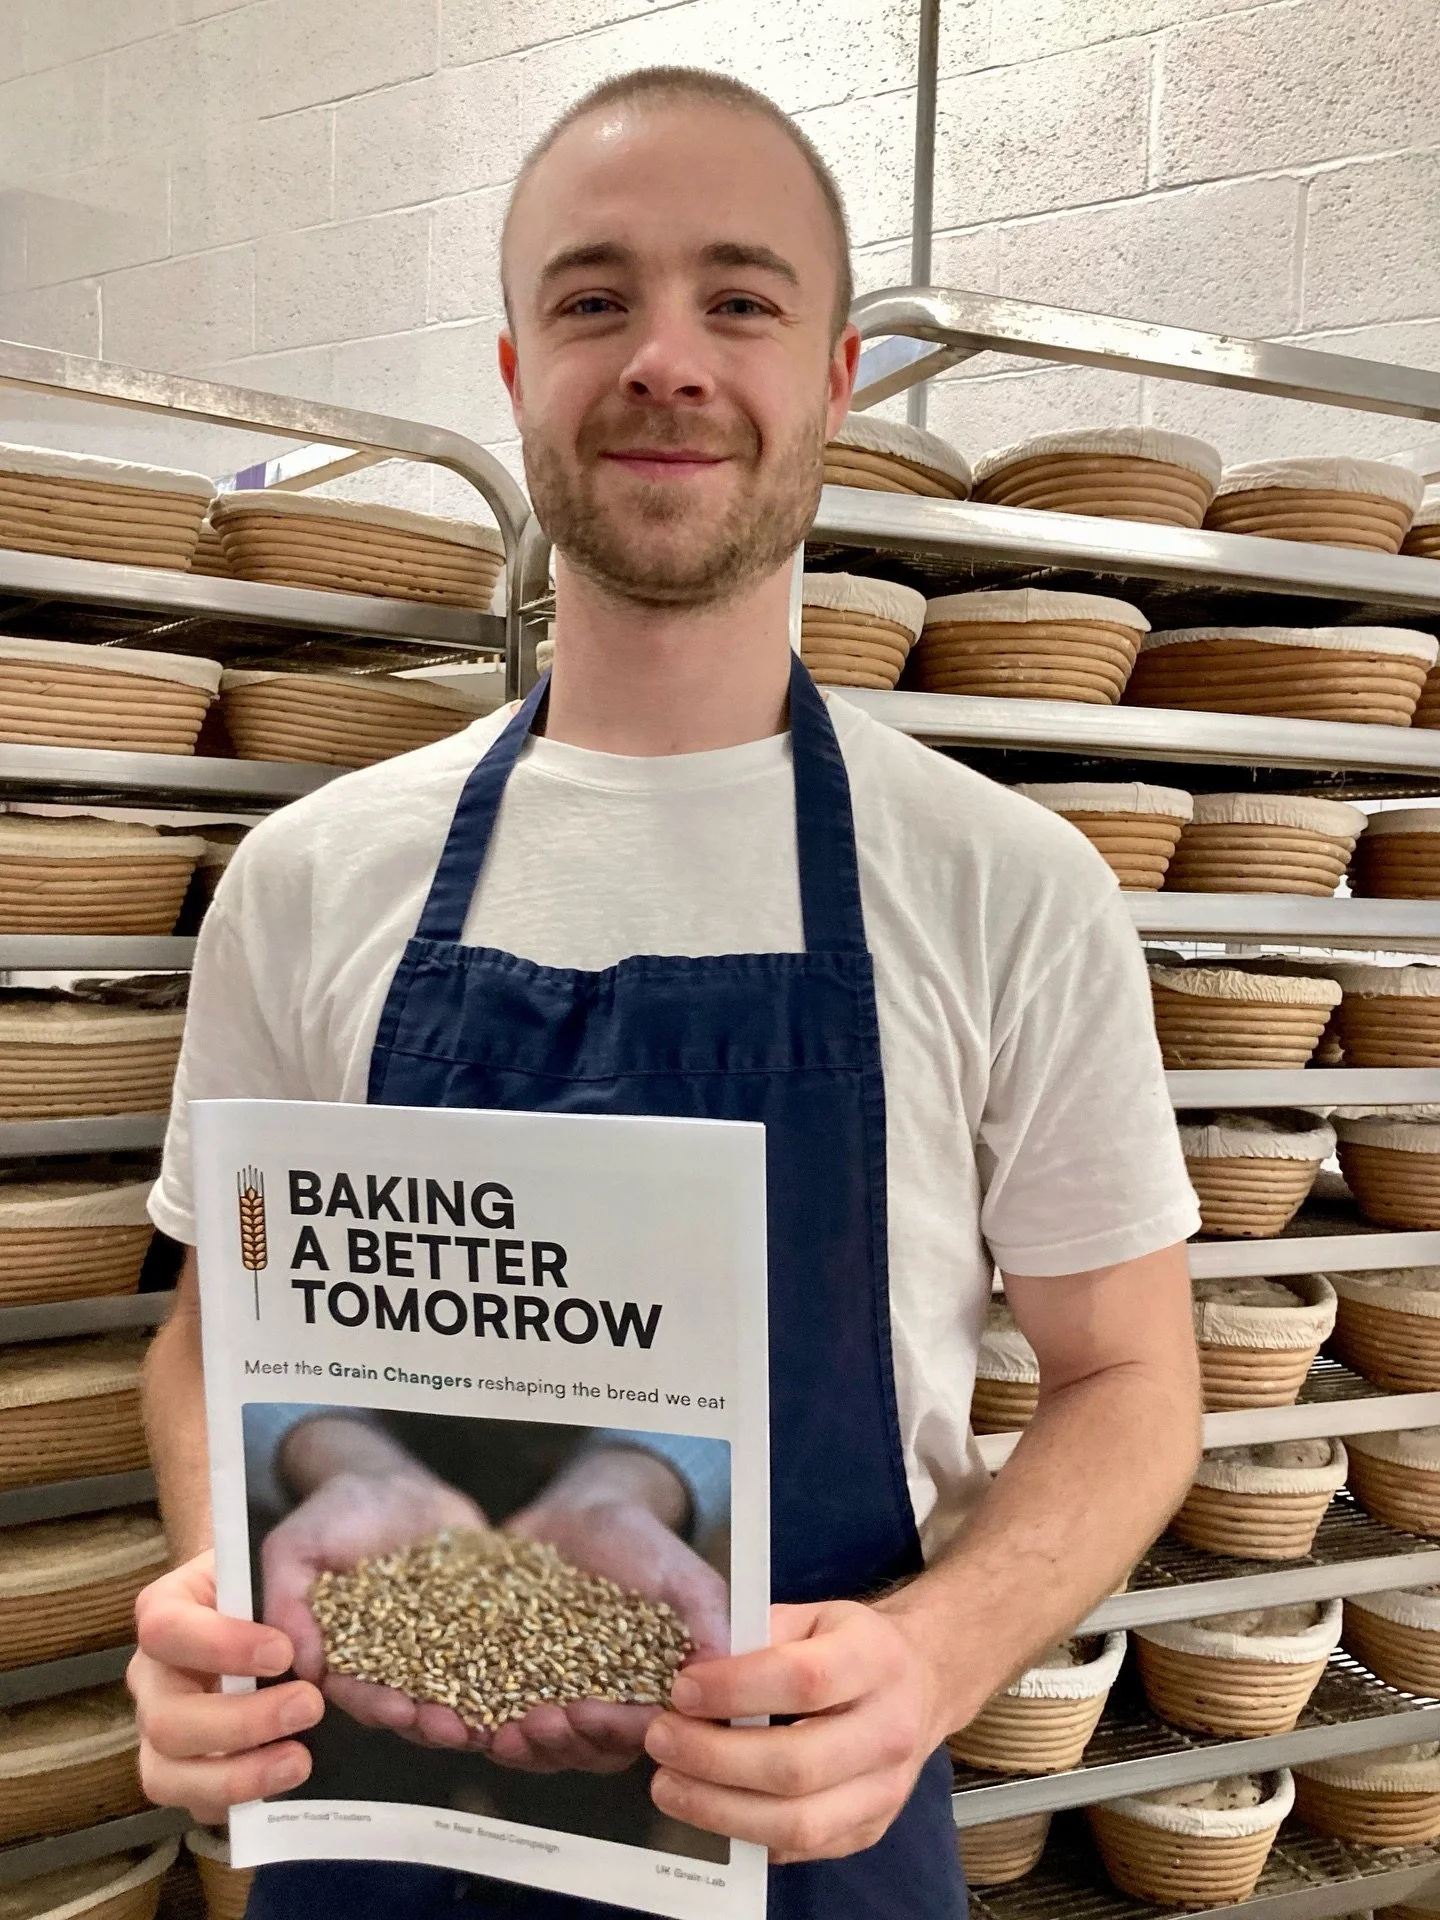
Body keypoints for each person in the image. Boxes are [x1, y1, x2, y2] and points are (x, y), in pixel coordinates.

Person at [129, 63, 1203, 1920]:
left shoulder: (1006, 890)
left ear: (838, 378)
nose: (666, 359)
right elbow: (216, 1337)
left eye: (742, 297)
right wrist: (240, 1580)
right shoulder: (308, 882)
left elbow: (1129, 1378)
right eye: (595, 297)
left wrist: (938, 1658)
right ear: (515, 366)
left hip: (819, 1841)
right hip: (383, 1826)